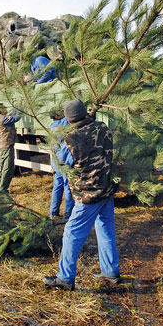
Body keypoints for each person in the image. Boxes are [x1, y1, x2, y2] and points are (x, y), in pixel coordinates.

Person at [43, 99, 120, 290]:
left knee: (71, 233)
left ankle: (65, 278)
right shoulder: (102, 127)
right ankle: (110, 272)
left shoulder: (72, 139)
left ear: (68, 120)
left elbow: (62, 164)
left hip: (88, 194)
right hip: (106, 189)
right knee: (105, 230)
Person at [48, 107, 75, 220]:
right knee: (68, 187)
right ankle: (68, 214)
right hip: (65, 161)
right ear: (57, 116)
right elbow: (73, 118)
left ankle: (53, 212)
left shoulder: (52, 126)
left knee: (57, 187)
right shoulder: (62, 123)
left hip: (56, 162)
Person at [0, 102, 21, 192]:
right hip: (7, 145)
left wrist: (17, 105)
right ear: (1, 110)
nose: (6, 109)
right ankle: (3, 189)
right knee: (8, 169)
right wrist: (21, 110)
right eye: (5, 108)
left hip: (3, 146)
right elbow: (15, 118)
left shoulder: (0, 118)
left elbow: (11, 114)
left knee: (2, 168)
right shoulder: (4, 120)